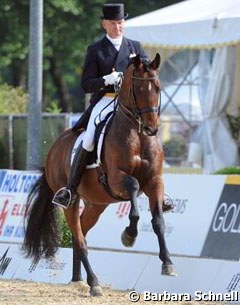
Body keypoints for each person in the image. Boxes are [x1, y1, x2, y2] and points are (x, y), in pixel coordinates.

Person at [52, 3, 174, 213]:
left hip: (132, 104)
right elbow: (86, 84)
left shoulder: (134, 46)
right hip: (106, 100)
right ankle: (70, 188)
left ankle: (157, 185)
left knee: (151, 137)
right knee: (89, 137)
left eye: (120, 22)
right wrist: (105, 80)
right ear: (104, 24)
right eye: (113, 23)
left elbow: (147, 72)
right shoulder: (96, 50)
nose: (118, 27)